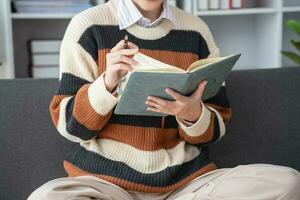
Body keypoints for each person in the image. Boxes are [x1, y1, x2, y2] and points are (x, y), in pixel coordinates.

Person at [27, 0, 300, 199]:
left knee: (288, 182)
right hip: (105, 185)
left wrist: (192, 114)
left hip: (186, 186)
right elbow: (71, 127)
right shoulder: (88, 26)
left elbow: (217, 126)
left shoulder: (196, 30)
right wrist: (107, 82)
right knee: (46, 198)